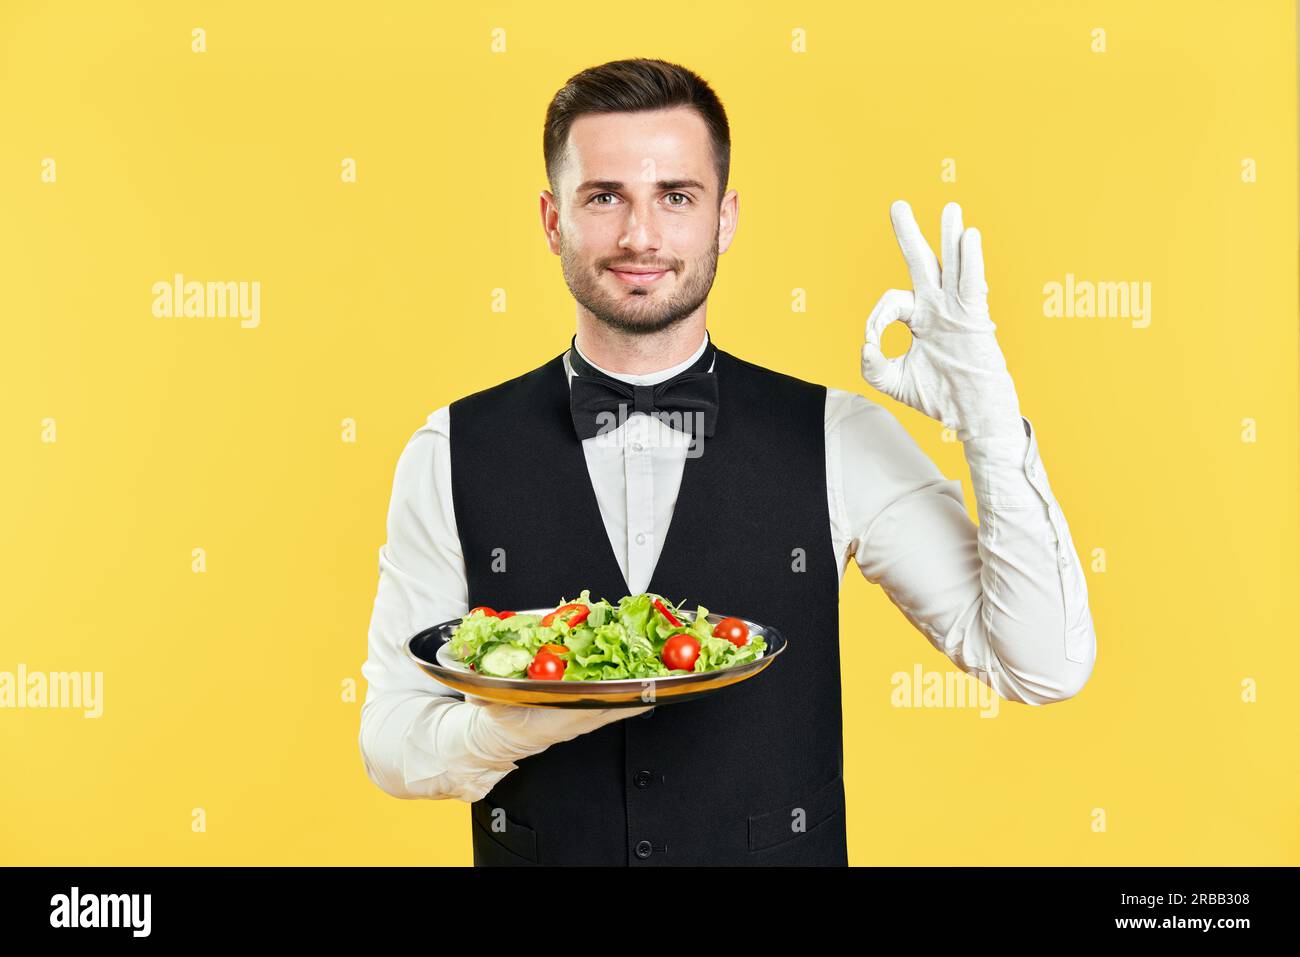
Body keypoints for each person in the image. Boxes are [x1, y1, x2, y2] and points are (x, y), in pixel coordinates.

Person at [358, 58, 1096, 866]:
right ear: (551, 219)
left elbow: (1043, 663)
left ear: (725, 218)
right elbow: (391, 740)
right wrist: (504, 728)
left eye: (677, 196)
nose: (641, 235)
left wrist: (987, 414)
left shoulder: (838, 435)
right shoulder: (450, 449)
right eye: (605, 197)